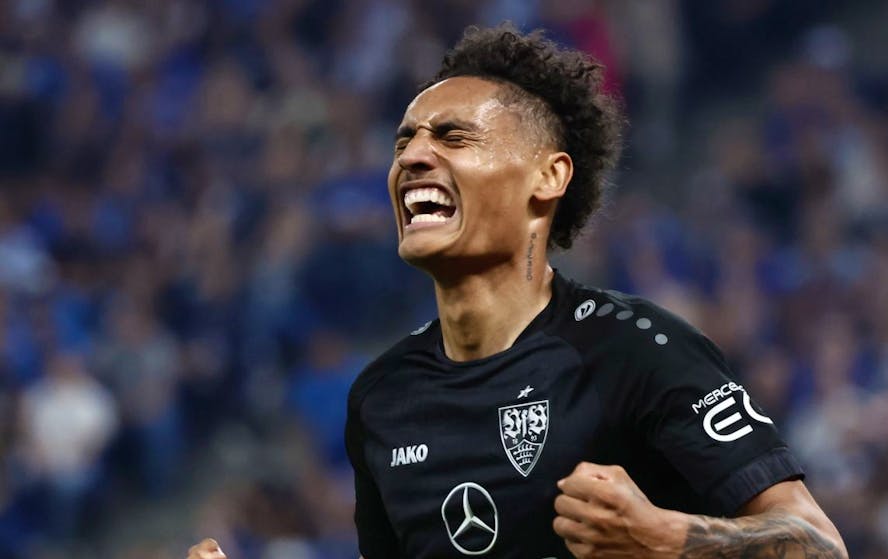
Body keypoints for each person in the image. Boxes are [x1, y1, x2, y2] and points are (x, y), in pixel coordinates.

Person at [188, 23, 847, 558]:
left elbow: (820, 545)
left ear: (547, 177)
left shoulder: (637, 350)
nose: (412, 157)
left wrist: (664, 538)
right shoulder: (383, 397)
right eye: (404, 141)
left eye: (453, 137)